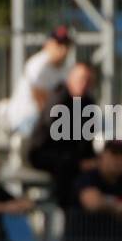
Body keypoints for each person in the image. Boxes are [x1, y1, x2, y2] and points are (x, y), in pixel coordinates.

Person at [27, 61, 98, 209]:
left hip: (71, 155)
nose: (83, 84)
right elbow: (56, 137)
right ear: (70, 78)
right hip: (46, 152)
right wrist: (79, 162)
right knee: (68, 169)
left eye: (87, 80)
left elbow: (86, 140)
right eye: (80, 79)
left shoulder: (88, 103)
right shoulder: (59, 98)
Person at [6, 26, 72, 135]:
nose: (63, 49)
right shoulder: (38, 64)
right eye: (59, 44)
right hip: (26, 118)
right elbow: (40, 100)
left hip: (45, 120)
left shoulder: (65, 69)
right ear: (48, 44)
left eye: (66, 45)